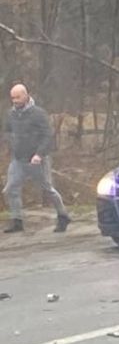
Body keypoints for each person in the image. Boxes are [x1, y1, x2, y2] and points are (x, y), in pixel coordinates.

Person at [4, 84, 70, 233]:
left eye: (18, 97)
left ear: (26, 95)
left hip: (37, 159)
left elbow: (47, 136)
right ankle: (17, 221)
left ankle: (63, 215)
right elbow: (7, 131)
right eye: (12, 98)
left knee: (47, 189)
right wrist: (11, 143)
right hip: (18, 159)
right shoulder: (11, 114)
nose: (15, 100)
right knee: (11, 189)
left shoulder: (38, 114)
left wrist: (39, 154)